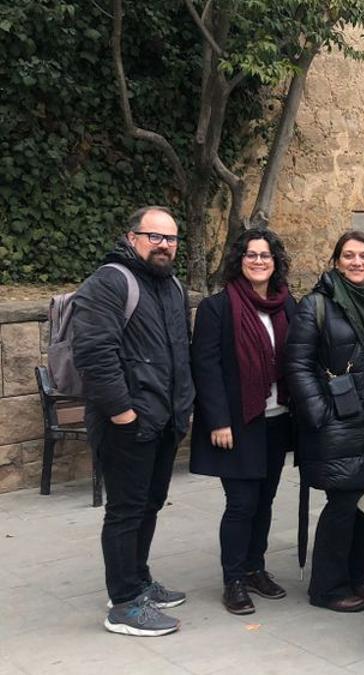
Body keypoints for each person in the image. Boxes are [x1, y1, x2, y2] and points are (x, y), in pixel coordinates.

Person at [71, 206, 193, 636]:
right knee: (124, 512)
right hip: (126, 422)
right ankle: (123, 603)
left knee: (149, 505)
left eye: (171, 239)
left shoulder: (172, 286)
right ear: (132, 237)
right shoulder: (110, 281)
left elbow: (180, 351)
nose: (164, 245)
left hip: (163, 421)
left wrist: (182, 408)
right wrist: (122, 411)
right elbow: (93, 352)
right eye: (154, 236)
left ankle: (138, 581)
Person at [285, 230, 364, 612]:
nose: (357, 262)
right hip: (337, 421)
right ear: (336, 261)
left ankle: (356, 578)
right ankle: (327, 588)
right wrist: (320, 411)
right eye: (349, 256)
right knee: (343, 502)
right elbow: (297, 365)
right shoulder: (317, 305)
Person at [190, 228, 296, 615]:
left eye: (265, 255)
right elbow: (206, 366)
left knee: (264, 501)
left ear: (275, 262)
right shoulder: (217, 307)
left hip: (276, 418)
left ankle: (255, 568)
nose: (258, 261)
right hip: (237, 423)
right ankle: (232, 578)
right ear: (239, 260)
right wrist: (218, 421)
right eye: (251, 255)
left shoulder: (286, 305)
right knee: (241, 503)